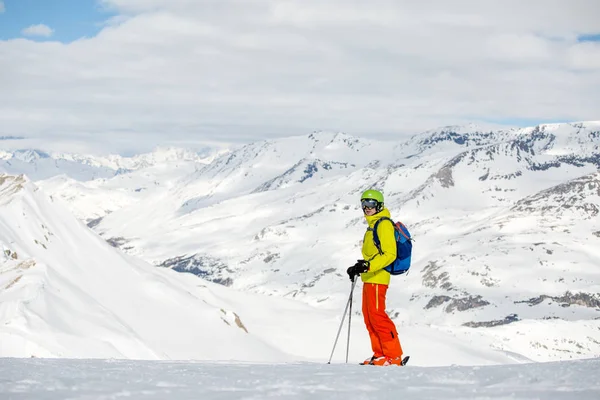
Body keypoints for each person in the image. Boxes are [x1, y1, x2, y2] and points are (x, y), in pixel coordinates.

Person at [346, 189, 404, 366]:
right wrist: (360, 267)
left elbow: (389, 254)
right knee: (369, 317)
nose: (366, 207)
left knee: (378, 317)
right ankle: (380, 354)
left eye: (370, 204)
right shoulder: (372, 225)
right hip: (370, 277)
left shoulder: (383, 224)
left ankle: (393, 356)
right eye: (364, 204)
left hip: (379, 278)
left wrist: (368, 265)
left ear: (379, 205)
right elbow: (374, 254)